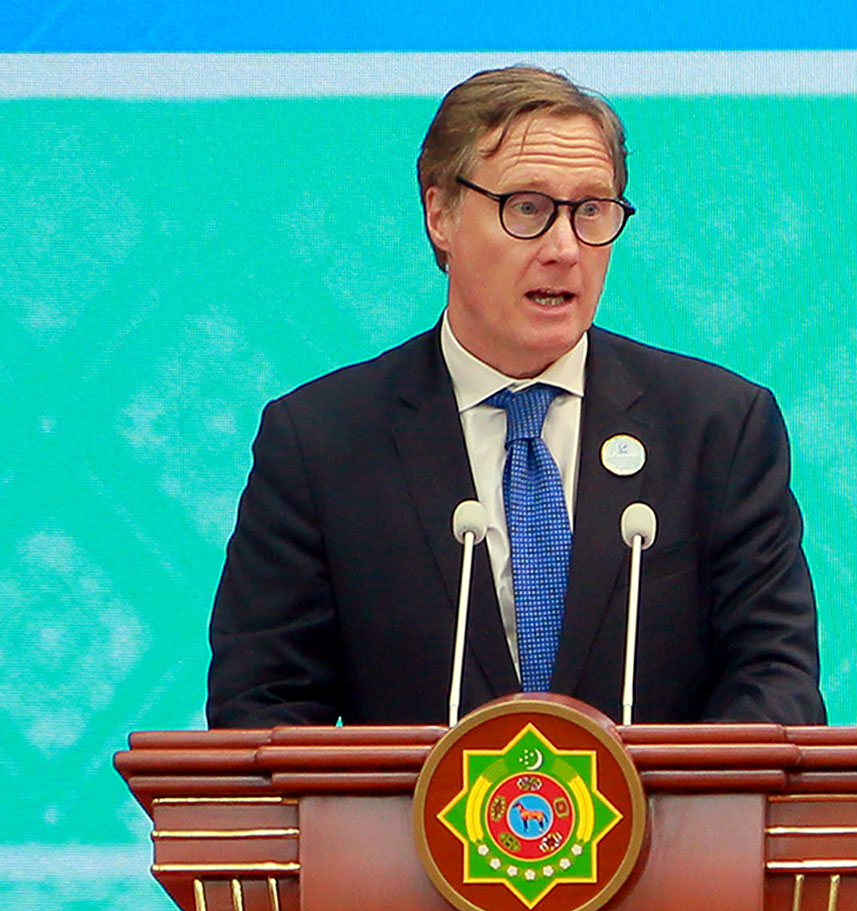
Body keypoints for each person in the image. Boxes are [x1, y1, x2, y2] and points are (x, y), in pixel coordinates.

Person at [207, 66, 825, 729]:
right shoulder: (321, 442)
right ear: (440, 215)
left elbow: (777, 683)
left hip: (660, 804)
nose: (565, 249)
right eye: (527, 208)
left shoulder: (718, 429)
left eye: (591, 211)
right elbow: (260, 707)